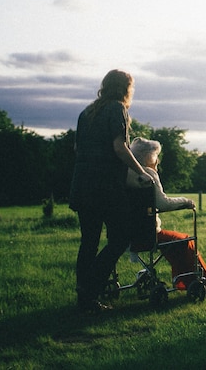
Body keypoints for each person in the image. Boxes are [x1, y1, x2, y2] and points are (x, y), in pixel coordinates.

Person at [69, 69, 154, 313]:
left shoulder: (86, 112)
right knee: (120, 239)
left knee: (89, 242)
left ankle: (84, 300)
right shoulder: (117, 109)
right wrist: (141, 171)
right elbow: (119, 147)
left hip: (82, 185)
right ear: (125, 88)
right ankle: (90, 289)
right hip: (105, 187)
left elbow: (78, 148)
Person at [126, 137, 206, 293]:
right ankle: (205, 279)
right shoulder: (148, 174)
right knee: (185, 240)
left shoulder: (125, 174)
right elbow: (163, 203)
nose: (157, 160)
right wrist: (186, 201)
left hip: (127, 234)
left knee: (174, 242)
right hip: (147, 234)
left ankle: (184, 281)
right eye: (155, 156)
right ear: (147, 157)